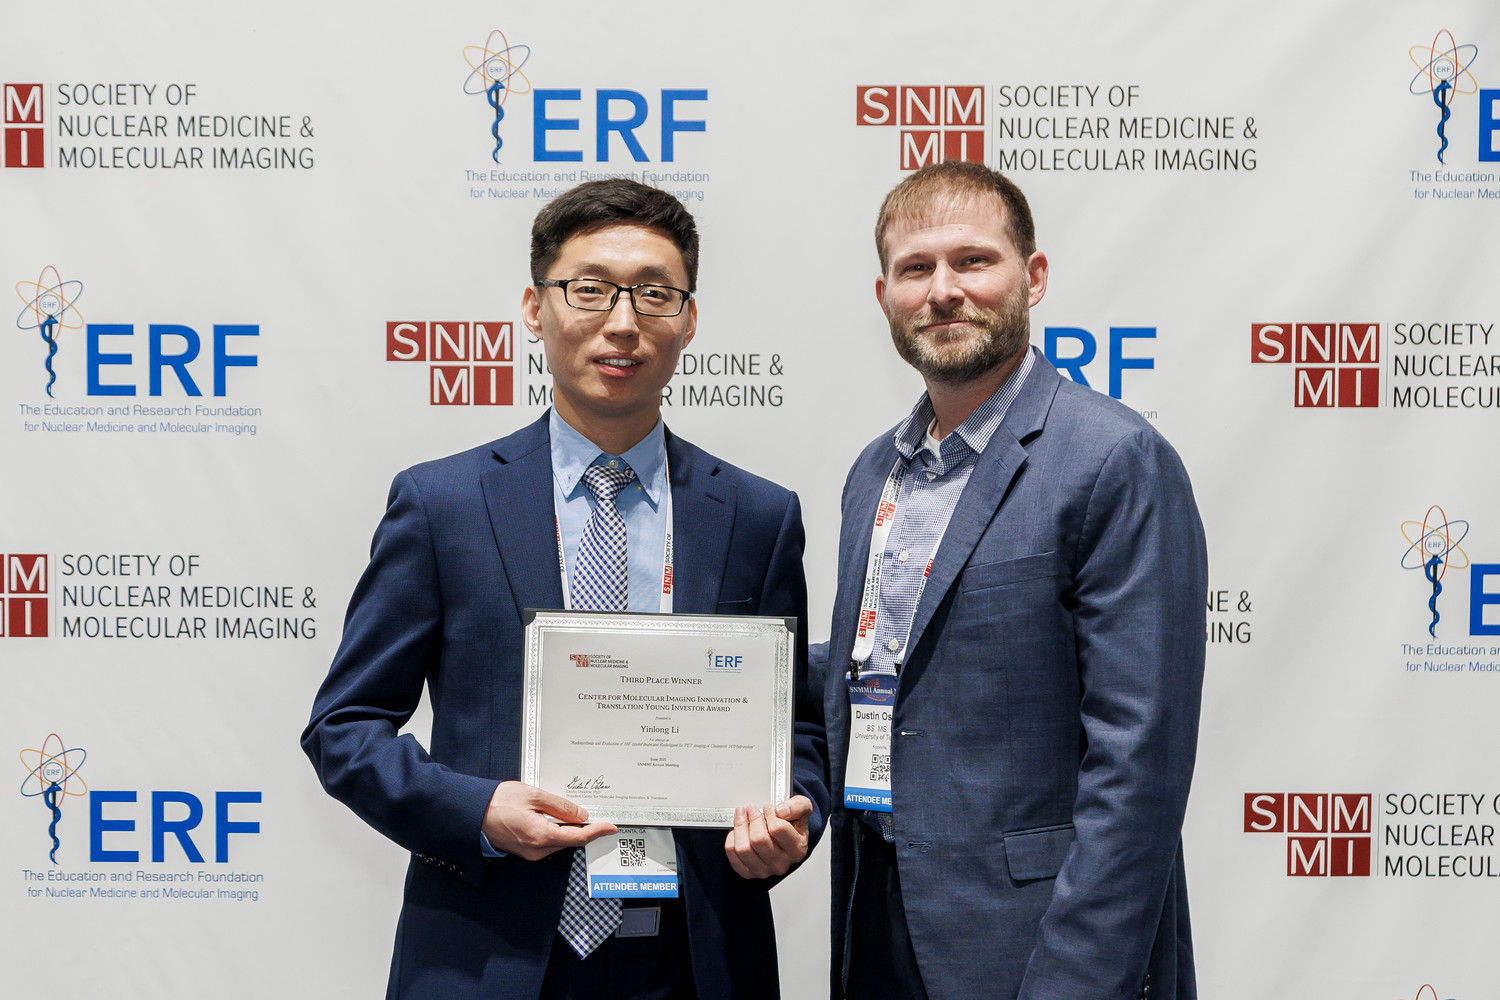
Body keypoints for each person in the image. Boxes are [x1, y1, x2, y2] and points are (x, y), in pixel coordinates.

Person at [303, 179, 827, 1000]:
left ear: (689, 320)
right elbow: (344, 727)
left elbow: (798, 726)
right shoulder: (442, 504)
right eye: (591, 289)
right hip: (490, 954)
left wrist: (794, 823)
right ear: (534, 306)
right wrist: (478, 811)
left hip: (692, 956)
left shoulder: (757, 516)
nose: (623, 322)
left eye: (655, 294)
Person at [823, 161, 1207, 1000]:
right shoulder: (871, 475)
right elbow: (880, 666)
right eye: (916, 268)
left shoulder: (1112, 459)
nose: (944, 290)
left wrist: (1077, 981)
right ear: (883, 294)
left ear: (1032, 276)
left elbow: (1137, 762)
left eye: (973, 261)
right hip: (880, 920)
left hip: (1038, 944)